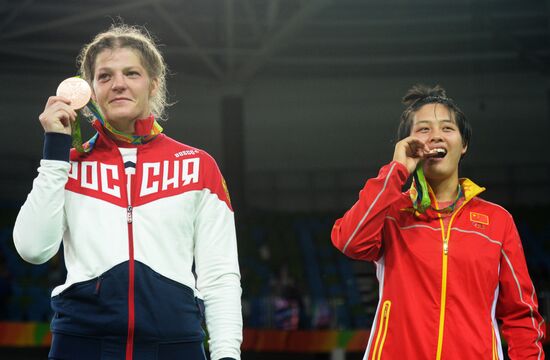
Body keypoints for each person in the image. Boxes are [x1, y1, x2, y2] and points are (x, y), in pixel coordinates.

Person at [13, 24, 242, 360]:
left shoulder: (198, 166)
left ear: (154, 83)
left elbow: (219, 274)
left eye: (131, 73)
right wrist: (55, 151)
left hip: (175, 345)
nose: (118, 83)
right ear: (89, 90)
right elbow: (33, 250)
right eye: (104, 76)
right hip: (80, 344)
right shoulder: (68, 164)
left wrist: (226, 354)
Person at [331, 84, 545, 359]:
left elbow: (521, 315)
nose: (435, 136)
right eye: (423, 129)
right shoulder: (391, 211)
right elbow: (349, 241)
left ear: (464, 144)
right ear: (408, 145)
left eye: (447, 128)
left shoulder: (497, 221)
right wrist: (396, 172)